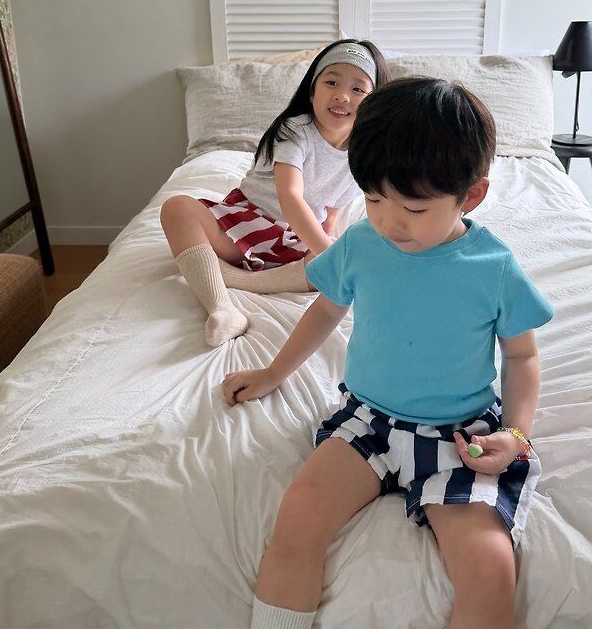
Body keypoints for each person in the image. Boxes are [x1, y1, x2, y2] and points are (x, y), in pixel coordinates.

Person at [222, 77, 555, 629]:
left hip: (459, 435)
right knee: (298, 517)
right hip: (368, 421)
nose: (388, 221)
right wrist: (273, 374)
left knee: (490, 567)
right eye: (373, 199)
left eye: (413, 208)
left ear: (471, 196)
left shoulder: (493, 268)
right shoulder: (361, 242)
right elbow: (325, 310)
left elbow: (522, 359)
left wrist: (517, 434)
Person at [160, 39, 390, 347]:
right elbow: (289, 196)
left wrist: (325, 253)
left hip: (292, 241)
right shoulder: (295, 130)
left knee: (343, 254)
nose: (342, 95)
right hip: (243, 226)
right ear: (312, 91)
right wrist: (329, 254)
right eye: (331, 82)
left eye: (358, 89)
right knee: (177, 208)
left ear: (374, 102)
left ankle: (238, 279)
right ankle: (222, 308)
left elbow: (331, 214)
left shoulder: (362, 154)